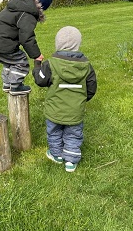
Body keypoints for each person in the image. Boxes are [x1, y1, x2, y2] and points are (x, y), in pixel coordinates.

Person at [32, 26, 97, 172]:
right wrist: (80, 101)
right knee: (73, 133)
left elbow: (40, 80)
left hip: (54, 110)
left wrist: (37, 65)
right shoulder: (86, 66)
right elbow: (91, 88)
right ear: (78, 44)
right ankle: (71, 161)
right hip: (75, 111)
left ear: (58, 43)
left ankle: (57, 155)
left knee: (54, 131)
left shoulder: (51, 64)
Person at [0, 0, 53, 95]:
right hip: (2, 42)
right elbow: (27, 37)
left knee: (10, 61)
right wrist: (36, 55)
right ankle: (15, 86)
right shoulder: (28, 13)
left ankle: (7, 83)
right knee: (21, 61)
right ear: (42, 6)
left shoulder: (18, 5)